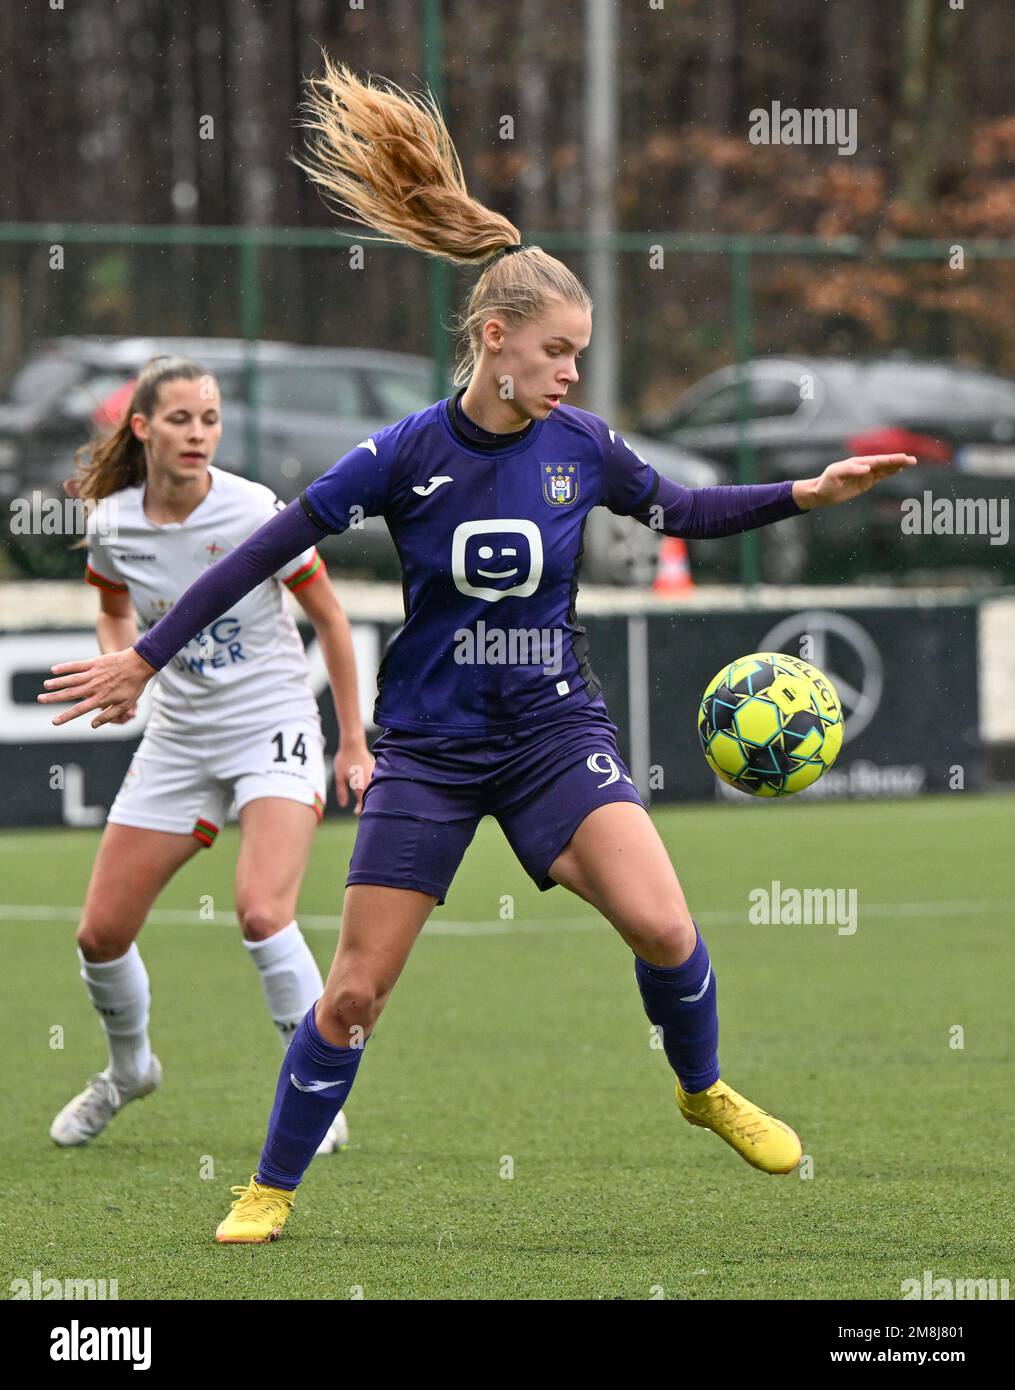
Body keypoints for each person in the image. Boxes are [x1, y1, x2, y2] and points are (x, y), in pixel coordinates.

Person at [39, 60, 916, 1244]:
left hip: (556, 733)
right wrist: (149, 651)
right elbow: (258, 552)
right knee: (352, 992)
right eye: (557, 352)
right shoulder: (401, 452)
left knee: (665, 928)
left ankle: (702, 1089)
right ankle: (270, 1185)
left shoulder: (583, 445)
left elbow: (682, 514)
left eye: (581, 354)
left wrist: (806, 491)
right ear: (496, 341)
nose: (571, 375)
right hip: (431, 750)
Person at [47, 354, 373, 1160]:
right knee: (99, 935)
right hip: (181, 735)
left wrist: (353, 740)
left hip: (272, 722)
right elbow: (114, 611)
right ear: (142, 428)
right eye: (182, 419)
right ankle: (129, 1073)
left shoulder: (255, 509)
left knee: (263, 911)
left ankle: (312, 1092)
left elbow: (332, 622)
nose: (199, 434)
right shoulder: (113, 521)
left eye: (211, 419)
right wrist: (123, 673)